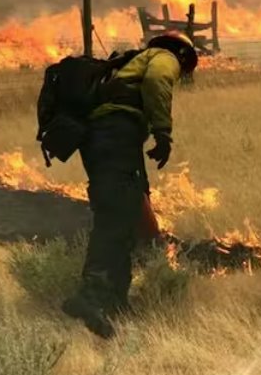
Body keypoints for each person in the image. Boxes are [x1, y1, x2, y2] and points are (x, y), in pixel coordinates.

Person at [61, 32, 198, 339]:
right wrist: (163, 133)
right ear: (181, 53)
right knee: (116, 214)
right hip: (115, 133)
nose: (182, 71)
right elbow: (156, 83)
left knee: (127, 209)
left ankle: (115, 303)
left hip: (107, 138)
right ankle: (90, 294)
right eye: (185, 66)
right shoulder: (164, 57)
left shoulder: (128, 63)